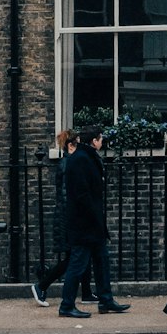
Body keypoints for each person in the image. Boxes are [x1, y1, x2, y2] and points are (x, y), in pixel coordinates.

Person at [58, 124, 130, 318]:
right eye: (100, 138)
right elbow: (82, 195)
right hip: (85, 223)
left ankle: (106, 300)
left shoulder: (86, 157)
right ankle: (66, 305)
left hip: (92, 222)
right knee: (78, 264)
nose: (102, 142)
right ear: (94, 141)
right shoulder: (81, 160)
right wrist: (94, 218)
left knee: (101, 261)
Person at [30, 130, 95, 307]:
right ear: (71, 145)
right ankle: (41, 285)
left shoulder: (70, 162)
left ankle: (87, 293)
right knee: (74, 257)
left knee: (83, 253)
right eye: (79, 144)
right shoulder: (68, 164)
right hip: (69, 219)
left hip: (69, 217)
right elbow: (68, 196)